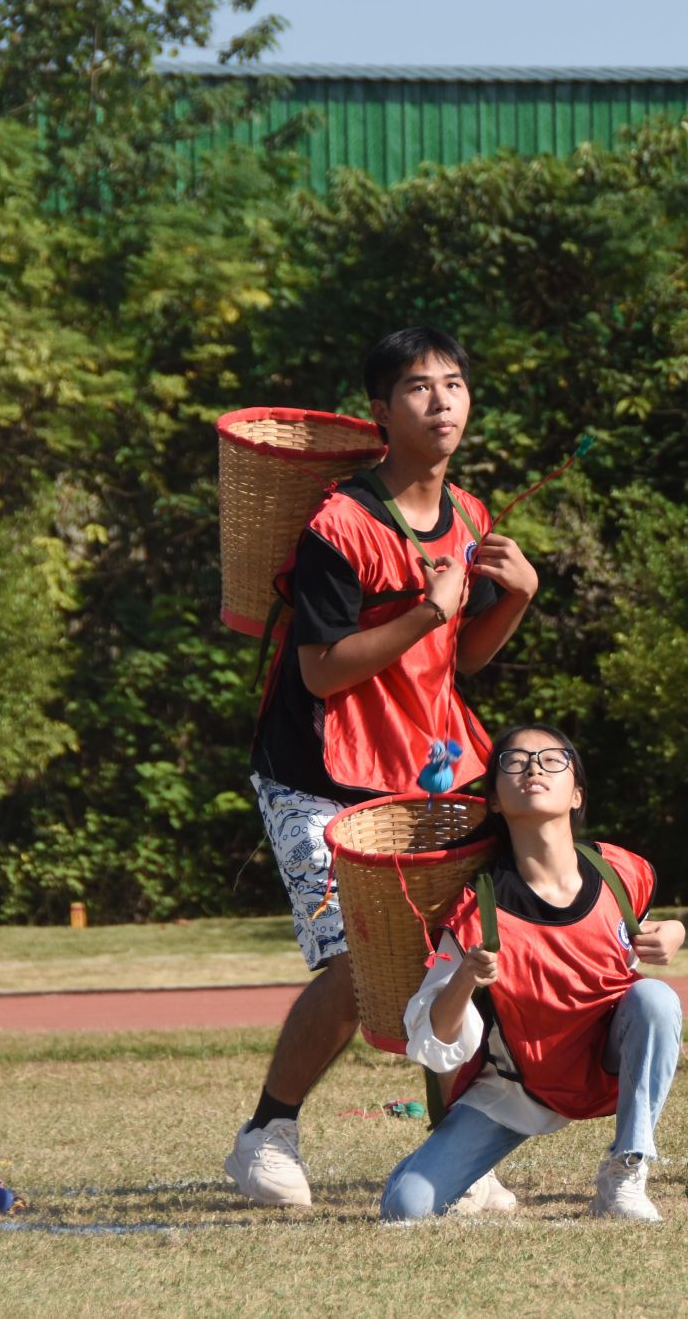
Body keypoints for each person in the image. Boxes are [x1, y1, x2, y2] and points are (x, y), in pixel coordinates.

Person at [228, 327, 540, 1207]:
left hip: (420, 768)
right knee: (357, 967)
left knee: (453, 960)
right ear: (380, 411)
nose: (441, 400)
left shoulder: (470, 516)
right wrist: (424, 611)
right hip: (316, 773)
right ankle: (266, 1133)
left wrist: (516, 597)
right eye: (418, 386)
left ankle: (454, 1156)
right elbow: (321, 671)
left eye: (454, 383)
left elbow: (462, 658)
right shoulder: (340, 524)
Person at [380, 725, 687, 1222]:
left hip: (600, 1063)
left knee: (655, 998)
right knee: (405, 1208)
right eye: (515, 761)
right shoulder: (474, 908)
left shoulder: (622, 872)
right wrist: (465, 978)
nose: (533, 768)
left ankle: (625, 1173)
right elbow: (433, 1040)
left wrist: (674, 931)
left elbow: (625, 951)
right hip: (516, 1088)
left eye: (551, 759)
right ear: (494, 801)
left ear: (577, 793)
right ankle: (473, 1177)